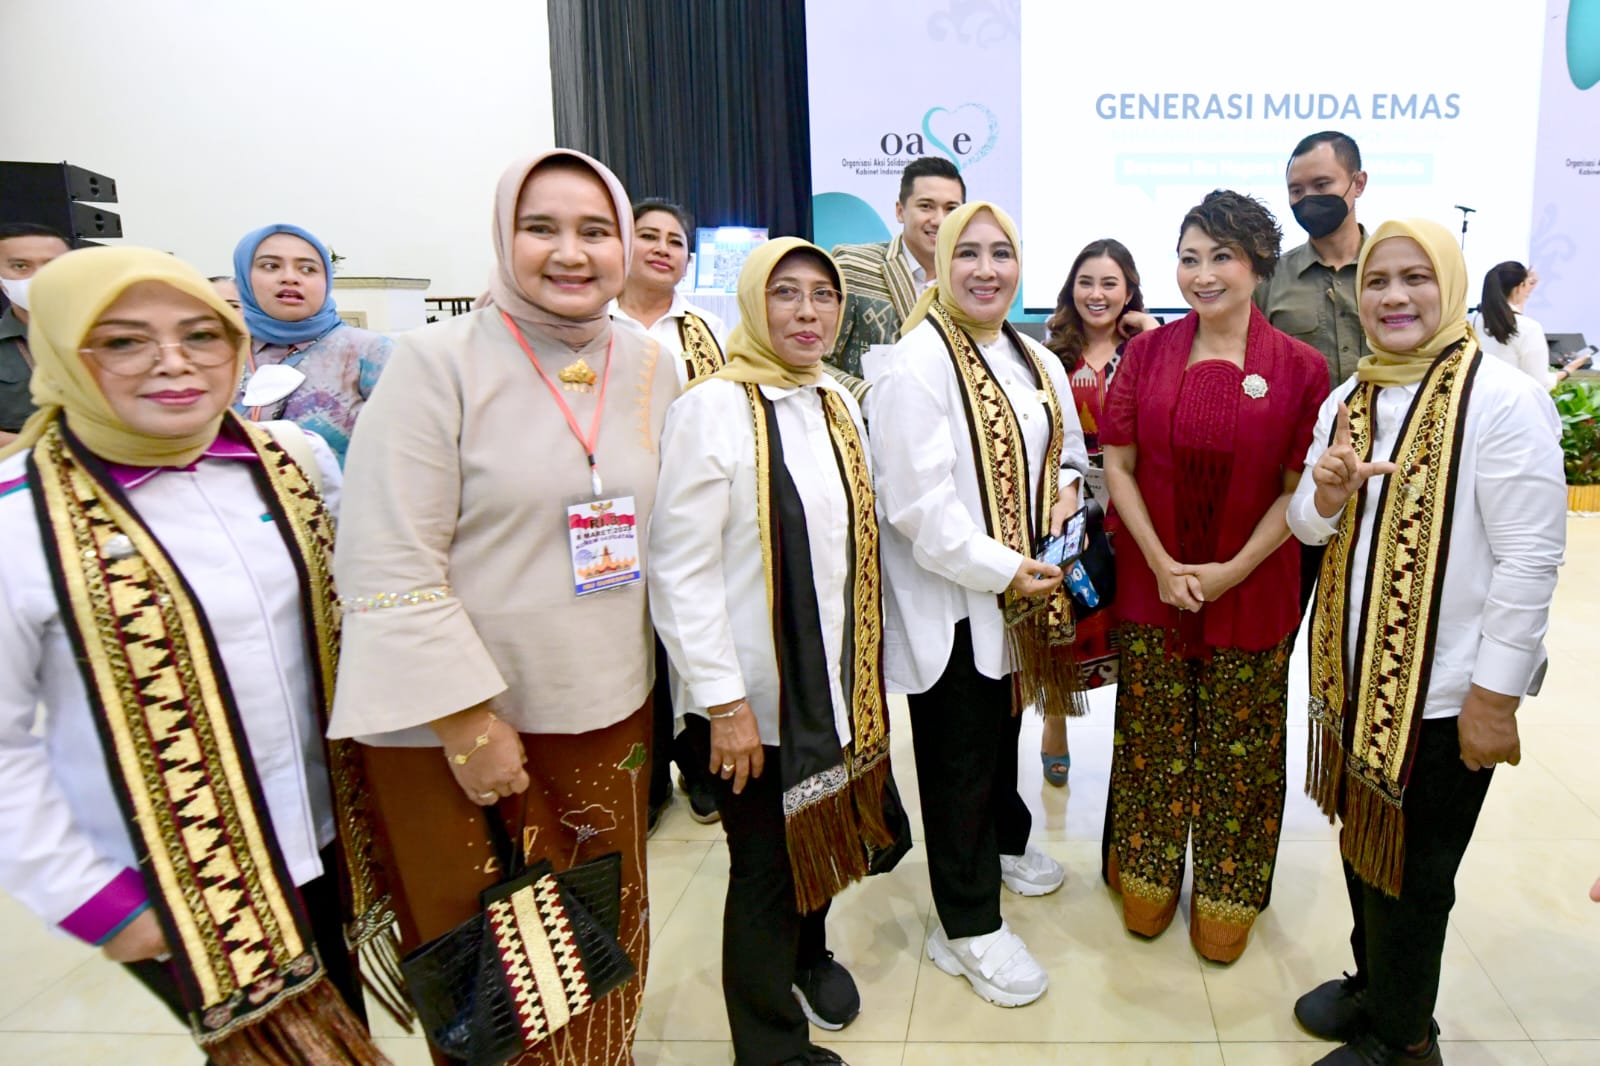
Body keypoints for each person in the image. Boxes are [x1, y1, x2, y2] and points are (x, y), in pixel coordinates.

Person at [0, 246, 403, 1063]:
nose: (173, 362)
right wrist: (93, 901)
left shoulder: (289, 460)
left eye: (201, 335)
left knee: (345, 1026)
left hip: (328, 833)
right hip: (172, 873)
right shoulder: (22, 517)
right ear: (60, 352)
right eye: (123, 341)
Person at [328, 149, 679, 1066]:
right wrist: (466, 720)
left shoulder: (653, 366)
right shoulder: (435, 363)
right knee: (501, 978)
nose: (571, 253)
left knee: (600, 933)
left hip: (607, 704)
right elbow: (385, 559)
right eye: (541, 228)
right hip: (463, 729)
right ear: (502, 236)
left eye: (595, 230)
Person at [1289, 219, 1566, 1066]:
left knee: (1415, 878)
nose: (1395, 296)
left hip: (1445, 700)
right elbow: (1306, 525)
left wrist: (1495, 699)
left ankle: (1405, 1041)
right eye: (1378, 281)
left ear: (1450, 286)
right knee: (1363, 849)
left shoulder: (1501, 399)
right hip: (1357, 683)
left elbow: (1530, 558)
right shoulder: (1353, 396)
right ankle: (1379, 988)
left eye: (1416, 278)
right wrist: (1326, 494)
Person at [651, 237, 894, 1066]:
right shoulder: (711, 408)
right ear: (754, 304)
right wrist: (724, 703)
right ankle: (769, 1048)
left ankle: (808, 958)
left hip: (833, 685)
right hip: (749, 701)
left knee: (818, 829)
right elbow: (679, 570)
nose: (807, 311)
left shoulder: (836, 400)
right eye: (785, 293)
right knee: (761, 871)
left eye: (823, 295)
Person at [1099, 190, 1328, 963]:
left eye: (1221, 257)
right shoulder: (1147, 354)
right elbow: (1119, 466)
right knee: (1152, 736)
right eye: (1189, 257)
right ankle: (1147, 869)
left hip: (1253, 589)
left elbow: (1296, 490)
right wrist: (1162, 564)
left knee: (1241, 746)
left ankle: (1229, 887)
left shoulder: (1301, 368)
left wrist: (1231, 571)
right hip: (1151, 586)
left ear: (1258, 267)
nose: (1202, 274)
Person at [873, 201, 1088, 1008]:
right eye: (969, 253)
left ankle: (1003, 844)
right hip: (956, 601)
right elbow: (916, 505)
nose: (987, 269)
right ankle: (965, 927)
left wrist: (1066, 494)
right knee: (957, 759)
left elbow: (1067, 450)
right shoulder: (916, 363)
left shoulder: (1035, 358)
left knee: (1001, 735)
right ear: (940, 263)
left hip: (1017, 598)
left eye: (1002, 253)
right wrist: (1003, 568)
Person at [609, 196, 730, 828]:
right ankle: (645, 778)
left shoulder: (707, 330)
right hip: (608, 516)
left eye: (675, 241)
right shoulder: (592, 321)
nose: (661, 248)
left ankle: (699, 762)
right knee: (628, 643)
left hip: (687, 509)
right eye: (647, 236)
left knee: (690, 630)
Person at [1036, 238, 1160, 786]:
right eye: (1086, 282)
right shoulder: (1048, 353)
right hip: (1068, 498)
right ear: (1071, 289)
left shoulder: (1147, 349)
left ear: (1129, 291)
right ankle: (1055, 723)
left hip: (1134, 498)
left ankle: (1132, 742)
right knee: (1067, 617)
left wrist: (1153, 334)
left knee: (1132, 617)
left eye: (1110, 283)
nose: (1097, 294)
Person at [1254, 131, 1371, 629]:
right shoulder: (1271, 280)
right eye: (1296, 191)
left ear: (1357, 183)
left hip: (1384, 477)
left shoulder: (1391, 270)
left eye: (1321, 185)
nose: (1308, 200)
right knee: (1286, 622)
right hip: (1298, 483)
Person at [231, 223, 393, 464]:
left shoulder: (370, 352)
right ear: (244, 278)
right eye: (271, 266)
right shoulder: (223, 352)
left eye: (308, 269)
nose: (289, 278)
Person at [827, 157, 966, 399]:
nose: (939, 220)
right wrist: (871, 399)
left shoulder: (968, 283)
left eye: (951, 209)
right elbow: (813, 362)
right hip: (866, 420)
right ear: (900, 211)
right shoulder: (853, 267)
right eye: (926, 206)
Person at [0, 222, 72, 446]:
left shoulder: (112, 334)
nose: (39, 277)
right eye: (21, 266)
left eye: (52, 265)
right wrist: (49, 446)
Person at [1473, 261, 1584, 388]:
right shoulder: (1529, 328)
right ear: (1520, 287)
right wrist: (1568, 370)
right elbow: (1539, 384)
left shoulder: (1475, 321)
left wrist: (1524, 288)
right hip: (1513, 398)